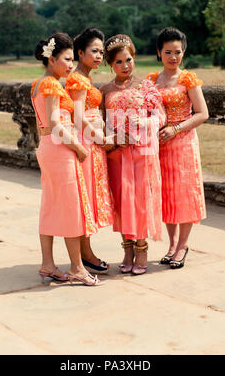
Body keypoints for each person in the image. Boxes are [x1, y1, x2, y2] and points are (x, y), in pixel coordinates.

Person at [31, 32, 104, 286]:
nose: (71, 65)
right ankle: (76, 267)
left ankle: (48, 264)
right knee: (72, 207)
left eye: (73, 59)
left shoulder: (37, 84)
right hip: (59, 146)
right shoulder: (51, 84)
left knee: (50, 204)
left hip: (47, 146)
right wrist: (78, 148)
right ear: (52, 59)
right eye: (67, 59)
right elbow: (54, 123)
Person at [101, 34, 166, 275]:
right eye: (119, 62)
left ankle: (142, 249)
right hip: (117, 153)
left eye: (128, 59)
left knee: (140, 200)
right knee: (121, 200)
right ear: (111, 64)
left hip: (142, 151)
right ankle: (126, 248)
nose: (125, 66)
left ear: (134, 58)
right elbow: (102, 122)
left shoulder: (145, 86)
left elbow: (161, 117)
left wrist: (146, 122)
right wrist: (111, 138)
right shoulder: (105, 89)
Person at [146, 27, 208, 269]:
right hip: (159, 145)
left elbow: (203, 113)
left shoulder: (187, 79)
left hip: (183, 143)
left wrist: (176, 129)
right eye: (168, 52)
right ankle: (171, 244)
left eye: (178, 52)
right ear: (159, 53)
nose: (173, 57)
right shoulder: (151, 81)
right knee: (166, 194)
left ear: (184, 52)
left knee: (184, 194)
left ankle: (182, 245)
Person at [65, 27, 115, 275]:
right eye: (94, 51)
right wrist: (100, 137)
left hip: (91, 141)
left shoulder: (85, 78)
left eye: (101, 52)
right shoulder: (77, 79)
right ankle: (85, 254)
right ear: (80, 52)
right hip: (85, 141)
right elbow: (79, 115)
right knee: (84, 196)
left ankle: (86, 252)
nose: (99, 56)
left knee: (89, 195)